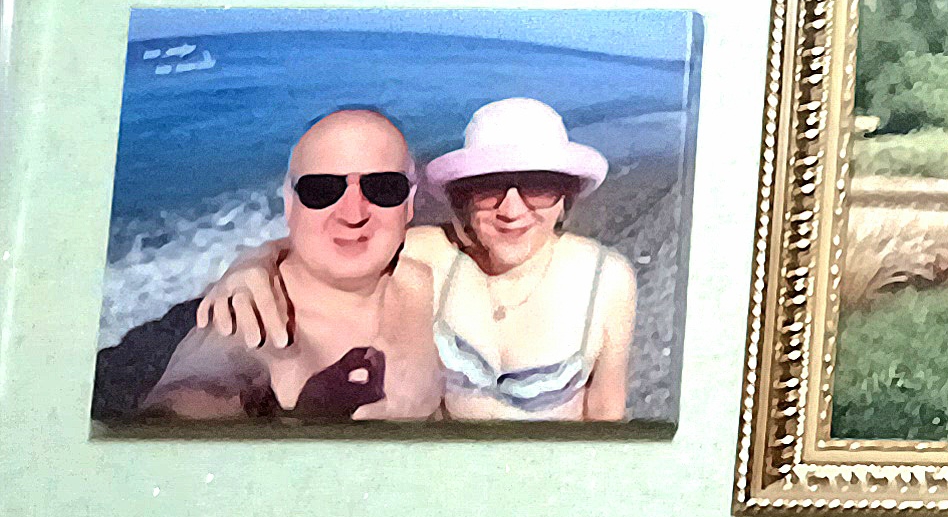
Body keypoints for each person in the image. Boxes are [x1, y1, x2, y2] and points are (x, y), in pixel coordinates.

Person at [193, 97, 638, 422]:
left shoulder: (606, 280)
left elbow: (605, 413)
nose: (512, 209)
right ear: (464, 198)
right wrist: (252, 263)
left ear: (566, 196)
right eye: (489, 188)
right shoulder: (435, 255)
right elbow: (342, 237)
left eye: (538, 186)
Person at [137, 106, 444, 422]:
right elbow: (196, 394)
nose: (353, 214)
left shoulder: (435, 272)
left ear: (409, 203)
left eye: (383, 188)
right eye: (322, 190)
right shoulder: (252, 318)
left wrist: (263, 254)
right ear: (289, 203)